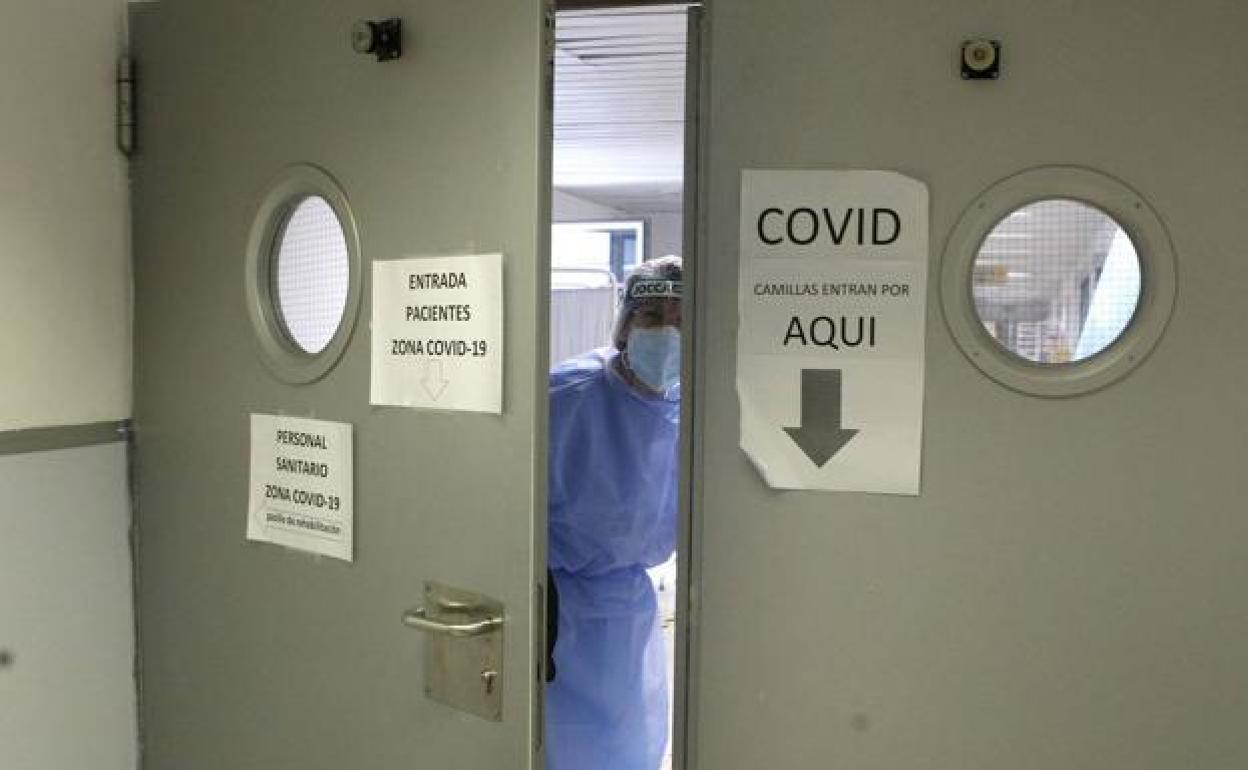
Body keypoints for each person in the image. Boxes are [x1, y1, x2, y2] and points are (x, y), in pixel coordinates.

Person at [546, 256, 682, 770]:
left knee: (631, 744)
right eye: (652, 317)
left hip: (630, 610)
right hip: (556, 610)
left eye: (681, 319)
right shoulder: (565, 396)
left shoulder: (691, 410)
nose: (668, 331)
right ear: (625, 325)